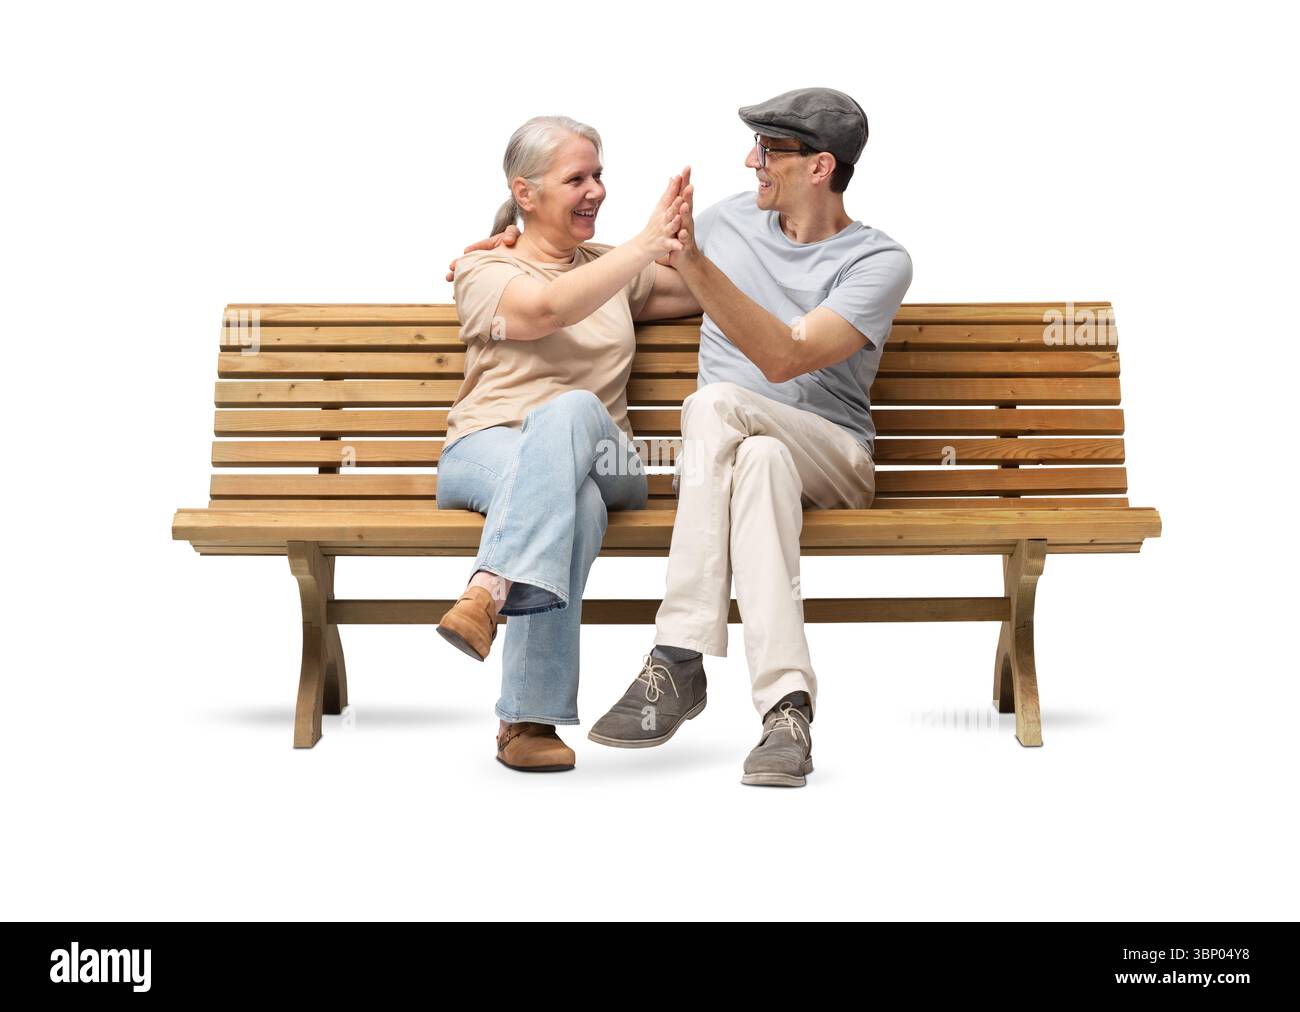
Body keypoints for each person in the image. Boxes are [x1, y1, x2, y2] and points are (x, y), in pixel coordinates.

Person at [452, 88, 913, 788]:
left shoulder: (879, 260)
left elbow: (781, 351)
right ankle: (786, 713)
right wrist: (506, 248)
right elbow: (580, 290)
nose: (750, 161)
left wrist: (683, 259)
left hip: (829, 452)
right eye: (576, 179)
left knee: (702, 405)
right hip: (700, 458)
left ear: (820, 167)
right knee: (745, 460)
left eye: (769, 149)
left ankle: (676, 655)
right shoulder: (719, 228)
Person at [438, 115, 699, 773]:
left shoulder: (612, 269)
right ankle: (528, 722)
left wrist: (687, 245)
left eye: (599, 176)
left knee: (574, 414)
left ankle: (488, 588)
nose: (596, 191)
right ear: (525, 194)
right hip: (487, 447)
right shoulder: (483, 269)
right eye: (576, 179)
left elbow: (705, 292)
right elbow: (544, 311)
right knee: (574, 502)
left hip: (609, 455)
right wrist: (640, 248)